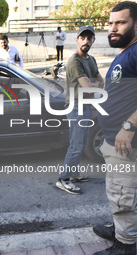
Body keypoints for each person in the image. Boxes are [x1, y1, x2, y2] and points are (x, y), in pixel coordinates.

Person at [93, 2, 137, 254]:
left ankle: (124, 245)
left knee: (123, 197)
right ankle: (120, 228)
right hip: (114, 142)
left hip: (126, 144)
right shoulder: (126, 53)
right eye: (111, 23)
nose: (113, 28)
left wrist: (129, 125)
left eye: (120, 22)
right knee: (121, 192)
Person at [56, 26, 104, 195]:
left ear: (93, 41)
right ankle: (64, 179)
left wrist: (94, 85)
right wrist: (94, 85)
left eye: (89, 38)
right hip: (76, 107)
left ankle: (74, 174)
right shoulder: (75, 60)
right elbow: (88, 87)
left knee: (81, 143)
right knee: (76, 145)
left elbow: (100, 82)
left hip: (86, 106)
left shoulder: (90, 60)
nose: (86, 41)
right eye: (82, 38)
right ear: (77, 39)